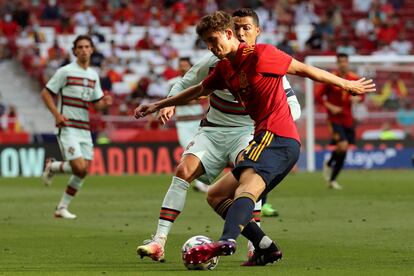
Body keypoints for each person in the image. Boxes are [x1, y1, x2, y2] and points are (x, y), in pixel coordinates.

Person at [134, 11, 374, 266]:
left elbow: (303, 69)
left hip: (275, 137)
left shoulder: (263, 55)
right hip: (260, 137)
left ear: (229, 34)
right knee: (215, 195)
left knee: (246, 189)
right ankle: (266, 247)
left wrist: (346, 85)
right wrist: (158, 104)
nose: (212, 48)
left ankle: (228, 240)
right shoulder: (225, 68)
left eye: (214, 40)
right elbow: (197, 89)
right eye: (207, 44)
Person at [136, 8, 301, 263]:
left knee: (248, 180)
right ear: (229, 31)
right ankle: (158, 242)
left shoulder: (266, 62)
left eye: (247, 27)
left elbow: (295, 107)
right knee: (183, 171)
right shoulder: (215, 63)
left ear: (257, 31)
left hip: (248, 131)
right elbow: (185, 84)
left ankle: (253, 246)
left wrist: (274, 120)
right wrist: (167, 103)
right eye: (238, 28)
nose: (242, 32)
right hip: (213, 130)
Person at [40, 35, 113, 219]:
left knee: (84, 171)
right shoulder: (65, 71)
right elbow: (46, 93)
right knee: (79, 168)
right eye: (79, 47)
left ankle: (61, 206)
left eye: (87, 46)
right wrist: (57, 115)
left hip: (84, 128)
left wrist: (105, 103)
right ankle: (54, 167)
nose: (83, 50)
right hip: (68, 126)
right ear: (74, 51)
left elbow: (96, 105)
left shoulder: (93, 75)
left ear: (91, 50)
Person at [317, 53, 364, 190]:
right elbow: (318, 96)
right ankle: (330, 168)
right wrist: (331, 106)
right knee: (342, 146)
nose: (343, 64)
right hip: (334, 119)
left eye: (345, 61)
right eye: (340, 62)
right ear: (337, 63)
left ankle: (332, 176)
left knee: (343, 150)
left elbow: (362, 95)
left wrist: (358, 99)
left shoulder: (354, 78)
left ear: (347, 62)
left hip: (348, 119)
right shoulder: (331, 78)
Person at [167, 57, 208, 192]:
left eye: (186, 65)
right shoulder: (173, 83)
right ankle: (200, 181)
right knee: (189, 150)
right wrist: (191, 98)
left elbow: (204, 97)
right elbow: (172, 100)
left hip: (198, 121)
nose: (183, 68)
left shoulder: (199, 81)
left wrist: (185, 98)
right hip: (183, 123)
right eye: (181, 65)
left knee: (201, 151)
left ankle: (202, 182)